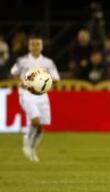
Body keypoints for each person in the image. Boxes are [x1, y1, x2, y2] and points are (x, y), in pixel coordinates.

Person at [10, 34, 60, 162]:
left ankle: (32, 149)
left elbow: (56, 79)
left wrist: (45, 82)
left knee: (41, 127)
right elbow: (13, 72)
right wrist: (21, 81)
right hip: (26, 94)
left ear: (42, 46)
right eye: (33, 44)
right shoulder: (22, 61)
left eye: (38, 44)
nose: (35, 47)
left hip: (42, 95)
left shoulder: (48, 62)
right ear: (29, 46)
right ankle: (26, 141)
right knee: (36, 121)